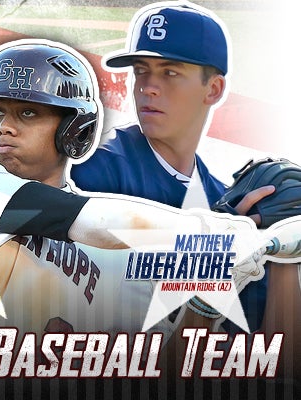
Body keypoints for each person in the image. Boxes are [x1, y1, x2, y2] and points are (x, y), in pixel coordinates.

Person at [0, 39, 267, 343]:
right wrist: (207, 233)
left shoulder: (122, 258)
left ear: (74, 129)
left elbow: (160, 372)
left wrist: (208, 299)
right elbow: (97, 222)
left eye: (27, 113)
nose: (3, 128)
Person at [68, 1, 300, 380]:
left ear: (214, 89)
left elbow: (277, 358)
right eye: (141, 71)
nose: (148, 88)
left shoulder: (226, 199)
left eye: (170, 72)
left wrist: (283, 252)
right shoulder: (93, 172)